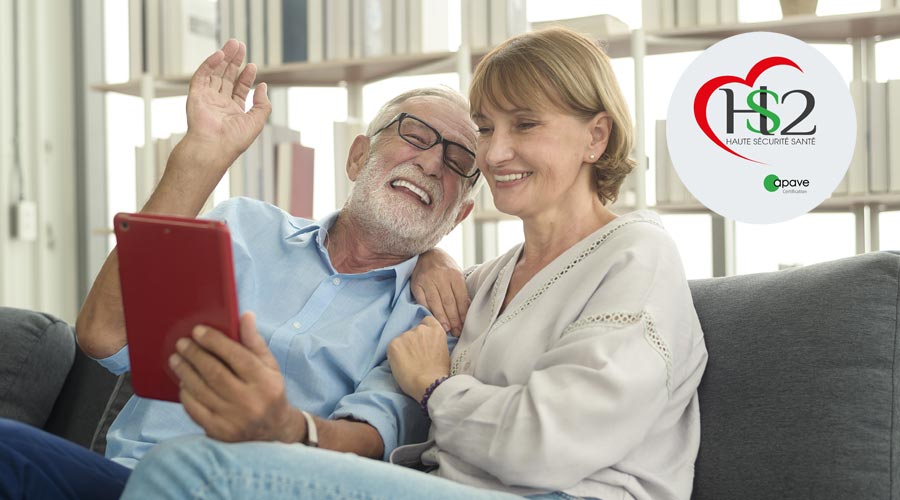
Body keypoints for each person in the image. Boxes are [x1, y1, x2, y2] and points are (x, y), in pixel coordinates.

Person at [120, 27, 709, 500]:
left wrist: (435, 387)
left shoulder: (638, 256)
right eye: (487, 129)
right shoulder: (477, 285)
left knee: (194, 471)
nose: (495, 151)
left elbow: (547, 444)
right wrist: (429, 255)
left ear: (596, 137)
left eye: (525, 124)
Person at [0, 38, 481, 499]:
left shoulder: (428, 320)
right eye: (415, 135)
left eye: (459, 162)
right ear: (358, 157)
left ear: (458, 215)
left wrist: (285, 427)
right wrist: (200, 157)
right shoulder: (241, 226)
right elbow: (104, 335)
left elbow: (372, 435)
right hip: (126, 479)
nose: (433, 163)